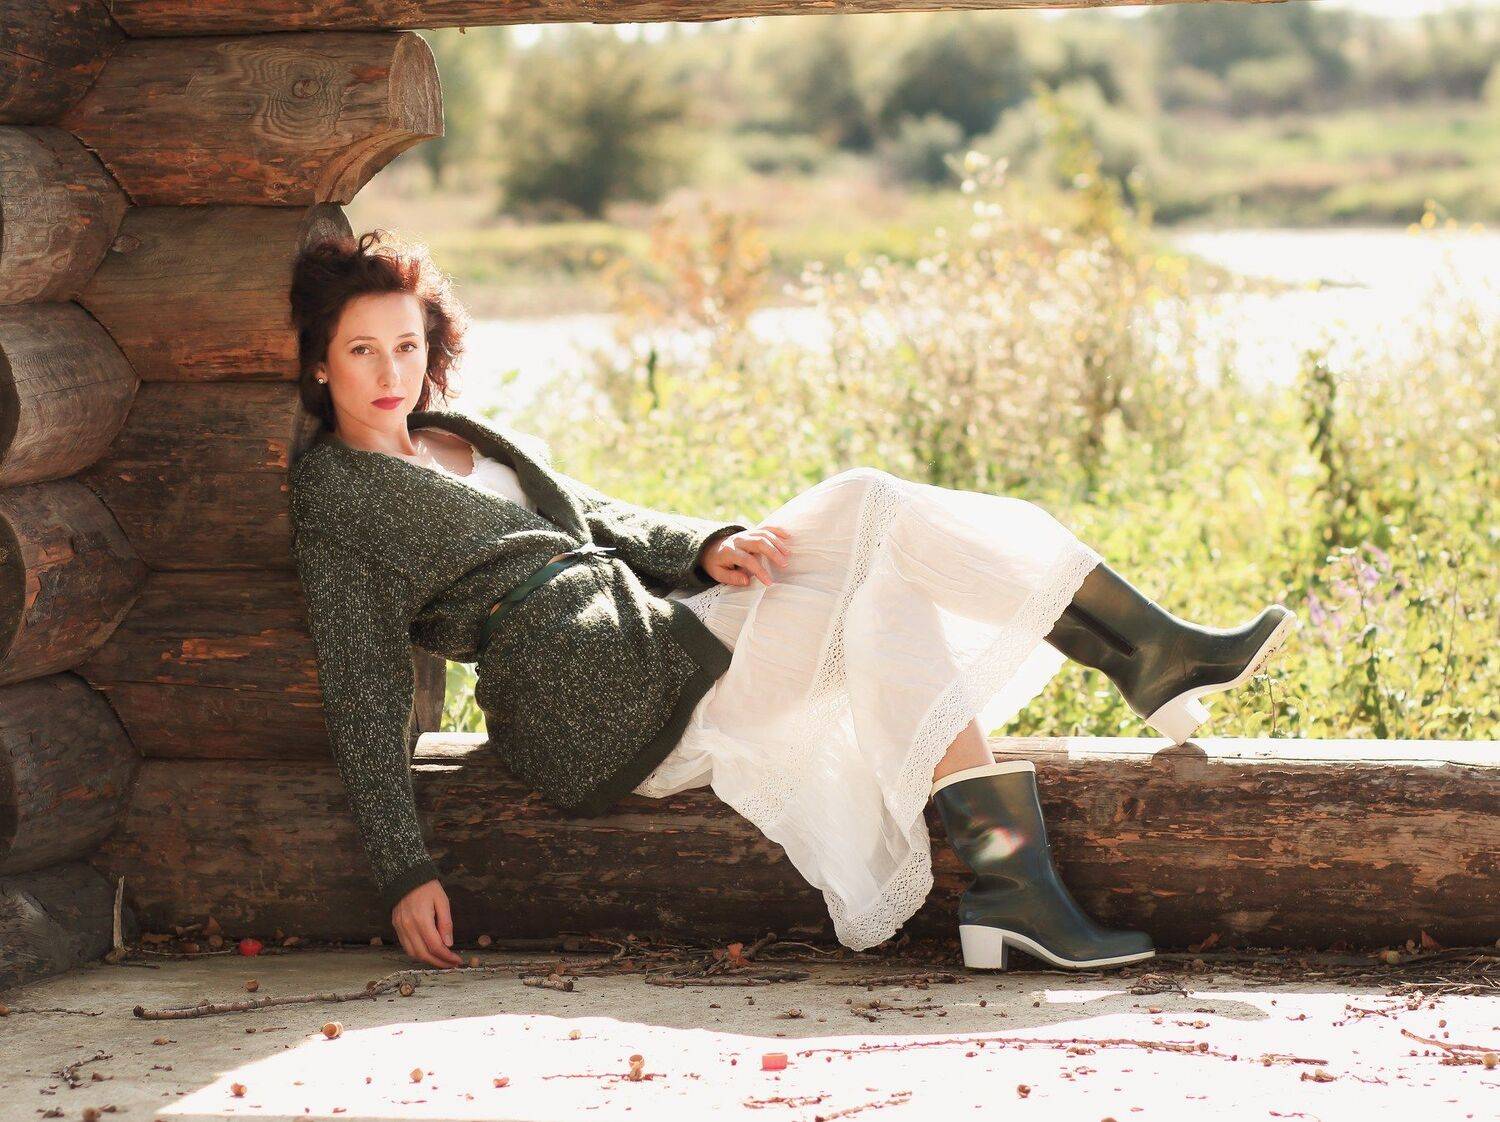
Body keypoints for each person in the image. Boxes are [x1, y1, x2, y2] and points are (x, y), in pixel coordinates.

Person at [288, 229, 1296, 974]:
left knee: (883, 574)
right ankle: (1141, 659)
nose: (391, 371)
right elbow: (361, 684)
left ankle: (1015, 885)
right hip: (592, 707)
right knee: (867, 506)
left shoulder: (455, 434)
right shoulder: (337, 495)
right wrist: (401, 869)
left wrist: (706, 545)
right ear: (318, 361)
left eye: (406, 345)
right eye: (362, 350)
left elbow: (595, 516)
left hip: (657, 641)